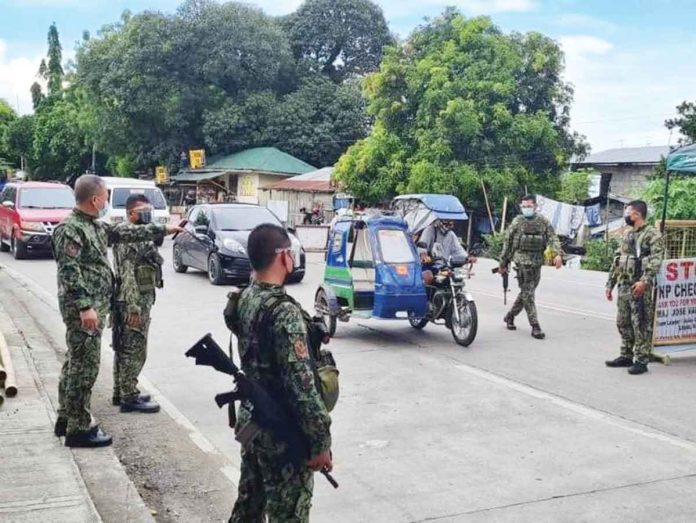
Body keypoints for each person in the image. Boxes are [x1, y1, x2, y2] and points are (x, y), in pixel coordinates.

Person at [52, 175, 182, 448]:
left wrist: (166, 228)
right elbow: (69, 272)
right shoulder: (70, 228)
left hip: (95, 308)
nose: (108, 201)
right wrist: (85, 307)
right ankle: (79, 428)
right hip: (83, 311)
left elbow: (126, 232)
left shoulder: (93, 226)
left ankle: (66, 417)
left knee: (75, 364)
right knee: (84, 368)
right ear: (95, 199)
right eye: (105, 196)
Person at [230, 224, 332, 522]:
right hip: (283, 432)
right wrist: (320, 443)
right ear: (284, 257)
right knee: (288, 513)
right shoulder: (284, 312)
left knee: (249, 504)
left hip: (255, 422)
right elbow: (302, 389)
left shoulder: (246, 297)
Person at [112, 194, 164, 413]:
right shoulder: (127, 236)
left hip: (140, 298)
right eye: (143, 211)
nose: (147, 214)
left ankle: (121, 391)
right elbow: (127, 273)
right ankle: (129, 396)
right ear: (131, 213)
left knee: (126, 347)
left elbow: (154, 258)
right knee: (134, 348)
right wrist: (133, 306)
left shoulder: (140, 234)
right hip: (133, 300)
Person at [605, 200, 664, 375]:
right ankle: (626, 355)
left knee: (641, 323)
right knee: (623, 322)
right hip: (624, 285)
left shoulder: (652, 234)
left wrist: (644, 281)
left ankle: (641, 360)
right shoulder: (628, 234)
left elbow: (656, 260)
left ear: (637, 215)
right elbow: (618, 260)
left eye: (628, 212)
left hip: (639, 286)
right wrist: (610, 284)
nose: (626, 216)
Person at [499, 195, 563, 339]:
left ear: (535, 207)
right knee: (528, 293)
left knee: (526, 292)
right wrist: (503, 262)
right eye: (524, 206)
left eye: (529, 206)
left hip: (537, 261)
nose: (526, 209)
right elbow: (507, 243)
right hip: (522, 261)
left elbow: (553, 237)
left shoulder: (542, 221)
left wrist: (558, 254)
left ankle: (510, 316)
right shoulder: (517, 222)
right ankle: (535, 326)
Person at [419, 219, 474, 285]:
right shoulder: (429, 230)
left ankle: (455, 292)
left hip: (443, 266)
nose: (450, 223)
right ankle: (428, 294)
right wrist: (424, 255)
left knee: (459, 276)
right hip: (429, 265)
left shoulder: (451, 234)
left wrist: (467, 258)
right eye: (447, 220)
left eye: (451, 221)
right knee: (428, 277)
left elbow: (458, 250)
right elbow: (422, 246)